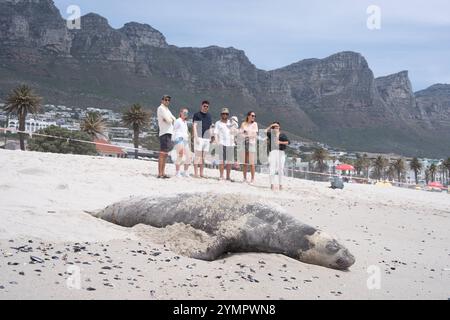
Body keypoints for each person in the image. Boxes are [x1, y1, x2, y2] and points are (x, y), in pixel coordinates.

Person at [266, 122, 290, 191]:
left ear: (279, 127)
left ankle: (280, 185)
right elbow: (264, 132)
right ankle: (272, 184)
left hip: (281, 152)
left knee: (280, 169)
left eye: (277, 126)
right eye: (275, 127)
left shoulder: (282, 135)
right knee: (272, 169)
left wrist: (280, 142)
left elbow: (288, 142)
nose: (276, 128)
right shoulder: (271, 134)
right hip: (273, 152)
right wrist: (270, 126)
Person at [157, 95, 176, 179]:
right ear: (162, 100)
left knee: (165, 154)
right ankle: (160, 173)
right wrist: (169, 120)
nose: (167, 101)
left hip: (169, 132)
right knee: (162, 153)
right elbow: (169, 120)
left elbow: (174, 119)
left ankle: (163, 173)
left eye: (168, 100)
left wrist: (169, 119)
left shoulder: (167, 109)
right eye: (165, 100)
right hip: (164, 132)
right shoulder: (161, 108)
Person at [193, 100, 213, 178]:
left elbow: (210, 127)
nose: (205, 107)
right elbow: (194, 126)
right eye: (204, 106)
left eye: (207, 106)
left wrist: (211, 137)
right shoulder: (197, 114)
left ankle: (201, 173)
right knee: (197, 156)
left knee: (203, 157)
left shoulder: (209, 116)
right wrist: (196, 137)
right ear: (201, 106)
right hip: (199, 137)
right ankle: (196, 173)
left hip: (206, 138)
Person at [214, 108, 234, 181]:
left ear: (228, 115)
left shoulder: (231, 123)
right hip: (221, 143)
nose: (225, 115)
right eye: (223, 113)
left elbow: (234, 132)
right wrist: (217, 142)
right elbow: (215, 133)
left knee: (229, 162)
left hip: (230, 144)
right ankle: (221, 176)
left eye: (226, 114)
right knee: (221, 161)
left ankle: (228, 177)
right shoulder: (218, 123)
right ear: (221, 114)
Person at [240, 111, 258, 184]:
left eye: (254, 116)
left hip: (251, 144)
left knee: (252, 163)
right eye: (252, 115)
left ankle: (252, 179)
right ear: (248, 116)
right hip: (244, 143)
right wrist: (246, 135)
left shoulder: (255, 124)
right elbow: (241, 133)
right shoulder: (243, 124)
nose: (253, 117)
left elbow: (255, 135)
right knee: (244, 162)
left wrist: (246, 134)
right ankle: (244, 178)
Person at [173, 107, 192, 178]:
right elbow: (174, 130)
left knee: (189, 156)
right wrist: (175, 140)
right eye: (184, 112)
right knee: (180, 155)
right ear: (180, 113)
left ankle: (185, 172)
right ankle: (177, 172)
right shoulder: (178, 121)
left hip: (185, 140)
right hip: (179, 139)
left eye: (186, 113)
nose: (185, 114)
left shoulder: (185, 122)